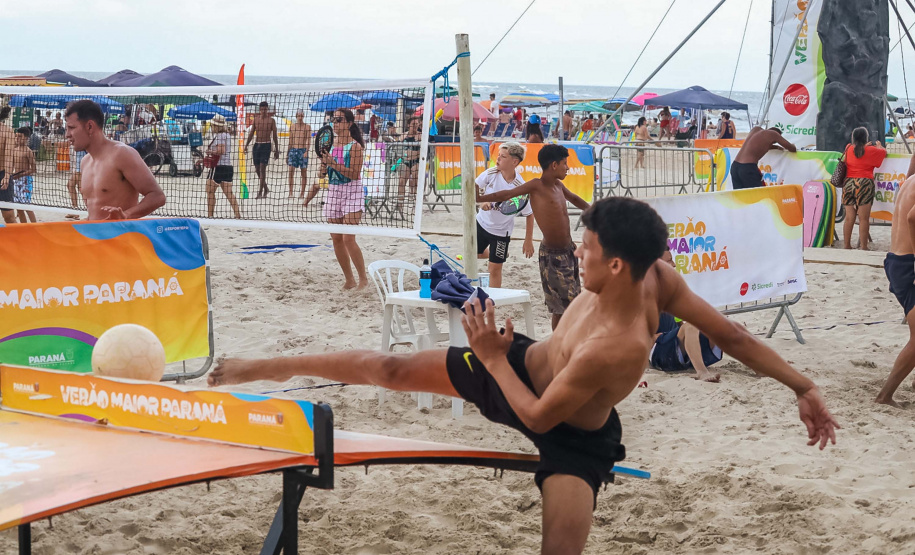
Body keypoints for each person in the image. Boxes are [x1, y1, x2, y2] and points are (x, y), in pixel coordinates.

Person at [208, 196, 839, 555]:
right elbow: (733, 334)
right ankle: (259, 368)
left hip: (569, 432)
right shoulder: (647, 275)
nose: (576, 254)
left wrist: (485, 356)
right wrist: (803, 385)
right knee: (390, 367)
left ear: (618, 266)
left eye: (586, 250)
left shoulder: (620, 340)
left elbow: (540, 418)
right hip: (520, 364)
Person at [477, 144, 590, 330]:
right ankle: (558, 343)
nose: (567, 167)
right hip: (553, 256)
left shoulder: (559, 186)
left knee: (573, 299)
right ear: (554, 165)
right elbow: (507, 194)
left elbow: (575, 199)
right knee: (560, 307)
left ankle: (567, 340)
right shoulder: (536, 186)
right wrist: (480, 198)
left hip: (569, 250)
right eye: (564, 163)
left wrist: (595, 210)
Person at [64, 99, 165, 221]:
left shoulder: (121, 154)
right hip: (95, 237)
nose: (67, 134)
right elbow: (96, 214)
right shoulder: (85, 161)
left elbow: (157, 196)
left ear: (90, 126)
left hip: (120, 236)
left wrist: (126, 215)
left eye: (71, 128)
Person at [303, 108, 368, 290]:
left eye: (339, 120)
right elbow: (322, 174)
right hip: (333, 191)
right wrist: (324, 167)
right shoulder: (329, 145)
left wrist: (333, 163)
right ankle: (349, 279)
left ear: (349, 123)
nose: (335, 123)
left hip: (352, 191)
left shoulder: (355, 147)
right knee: (336, 238)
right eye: (333, 120)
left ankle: (363, 278)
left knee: (348, 238)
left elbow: (354, 175)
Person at [649, 250, 723, 382]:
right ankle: (702, 372)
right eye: (669, 260)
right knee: (691, 326)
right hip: (658, 352)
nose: (674, 264)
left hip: (674, 345)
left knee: (721, 322)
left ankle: (759, 370)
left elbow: (680, 324)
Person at [475, 142, 535, 288]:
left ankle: (492, 305)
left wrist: (528, 240)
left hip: (501, 232)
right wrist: (481, 203)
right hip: (481, 224)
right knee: (475, 255)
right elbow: (474, 187)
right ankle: (497, 255)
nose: (498, 159)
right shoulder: (491, 173)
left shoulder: (520, 186)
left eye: (503, 157)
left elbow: (529, 214)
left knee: (494, 269)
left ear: (514, 162)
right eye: (498, 155)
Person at [878, 172, 915, 406]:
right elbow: (912, 218)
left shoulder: (911, 179)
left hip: (897, 259)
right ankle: (885, 396)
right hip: (908, 264)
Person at [842, 127, 886, 251]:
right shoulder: (871, 150)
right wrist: (879, 145)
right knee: (864, 218)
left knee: (849, 217)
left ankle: (846, 245)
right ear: (866, 138)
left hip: (849, 182)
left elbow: (856, 152)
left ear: (853, 138)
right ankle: (864, 246)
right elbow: (883, 152)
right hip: (865, 183)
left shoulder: (848, 148)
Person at [730, 127, 796, 189]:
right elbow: (791, 148)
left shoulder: (755, 130)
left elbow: (761, 145)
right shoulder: (773, 134)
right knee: (759, 196)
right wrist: (793, 145)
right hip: (747, 168)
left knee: (739, 198)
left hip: (735, 166)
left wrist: (776, 147)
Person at [205, 114, 241, 219]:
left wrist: (209, 151)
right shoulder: (227, 135)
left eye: (212, 125)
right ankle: (237, 215)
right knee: (229, 193)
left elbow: (221, 151)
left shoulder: (220, 136)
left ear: (216, 126)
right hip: (228, 166)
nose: (211, 127)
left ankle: (210, 216)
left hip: (218, 167)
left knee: (210, 191)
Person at [245, 101, 279, 199]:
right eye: (262, 109)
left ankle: (260, 192)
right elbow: (251, 133)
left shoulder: (271, 121)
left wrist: (276, 149)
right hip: (257, 145)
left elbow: (275, 136)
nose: (264, 111)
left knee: (262, 168)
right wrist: (246, 145)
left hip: (266, 145)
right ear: (260, 110)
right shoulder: (256, 120)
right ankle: (266, 188)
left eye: (265, 109)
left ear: (267, 109)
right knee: (257, 169)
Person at [9, 127, 37, 223]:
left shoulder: (28, 151)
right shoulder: (14, 150)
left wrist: (21, 175)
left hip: (25, 180)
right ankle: (23, 227)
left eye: (20, 136)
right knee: (18, 207)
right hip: (15, 180)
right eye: (16, 136)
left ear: (26, 138)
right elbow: (11, 166)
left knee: (26, 206)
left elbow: (34, 169)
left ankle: (35, 226)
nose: (17, 138)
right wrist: (10, 175)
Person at [287, 109, 312, 198]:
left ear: (303, 116)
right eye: (299, 116)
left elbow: (309, 140)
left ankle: (302, 193)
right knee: (290, 171)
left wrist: (306, 151)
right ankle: (290, 192)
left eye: (301, 116)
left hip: (302, 150)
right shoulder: (292, 126)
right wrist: (288, 153)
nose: (300, 118)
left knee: (303, 172)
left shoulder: (307, 127)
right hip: (293, 150)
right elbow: (290, 141)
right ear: (296, 116)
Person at [0, 106, 16, 224]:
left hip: (2, 175)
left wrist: (7, 175)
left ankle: (18, 241)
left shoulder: (7, 131)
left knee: (9, 216)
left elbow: (9, 155)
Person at [66, 148, 87, 219]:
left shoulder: (82, 142)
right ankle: (75, 210)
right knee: (70, 185)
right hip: (77, 168)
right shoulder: (75, 143)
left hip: (83, 168)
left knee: (82, 190)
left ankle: (91, 211)